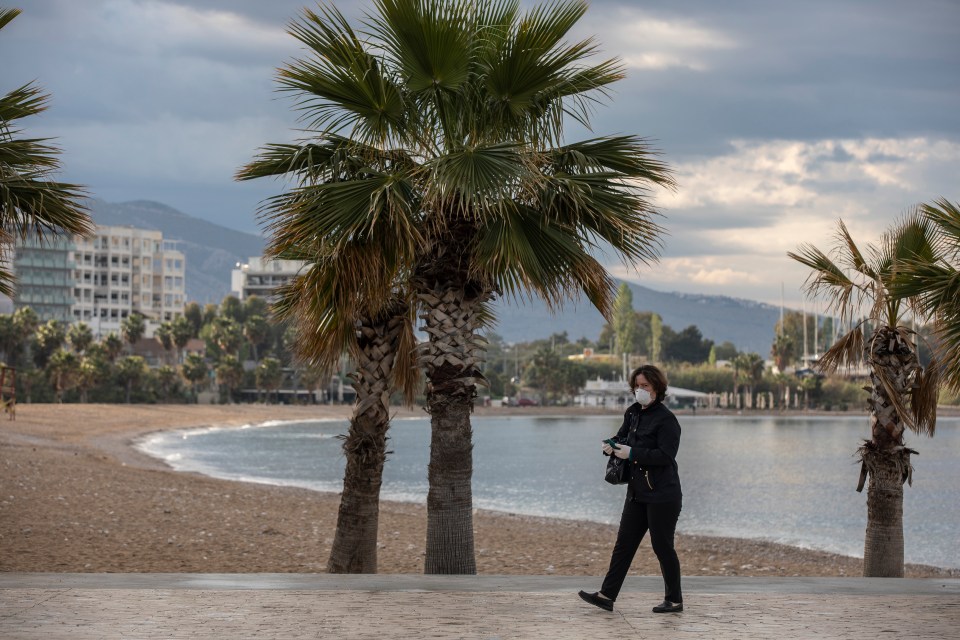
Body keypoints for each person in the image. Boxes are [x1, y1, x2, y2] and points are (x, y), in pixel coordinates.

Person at [578, 364, 684, 614]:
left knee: (662, 546)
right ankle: (606, 596)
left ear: (657, 388)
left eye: (645, 386)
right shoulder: (632, 413)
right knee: (623, 545)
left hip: (663, 495)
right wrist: (611, 444)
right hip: (636, 493)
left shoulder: (667, 420)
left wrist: (633, 453)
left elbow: (666, 456)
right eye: (636, 386)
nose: (640, 390)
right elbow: (622, 437)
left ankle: (675, 599)